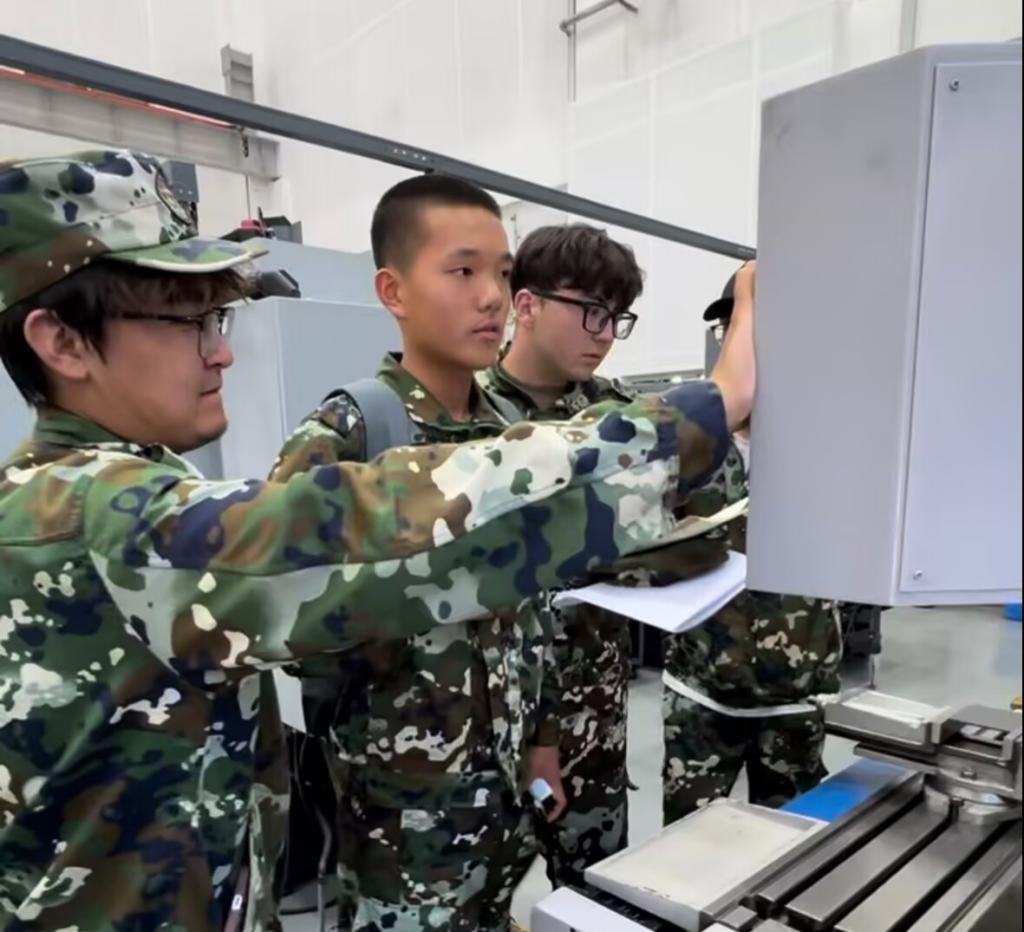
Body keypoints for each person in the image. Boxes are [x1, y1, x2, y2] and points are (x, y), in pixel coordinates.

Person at [0, 151, 750, 929]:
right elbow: (376, 533)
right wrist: (708, 409)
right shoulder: (96, 519)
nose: (221, 351)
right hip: (403, 808)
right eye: (189, 321)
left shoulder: (112, 491)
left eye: (217, 320)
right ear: (62, 342)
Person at [269, 176, 566, 930]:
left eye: (503, 273)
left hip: (505, 791)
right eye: (463, 271)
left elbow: (537, 608)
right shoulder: (347, 438)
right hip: (400, 817)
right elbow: (277, 613)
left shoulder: (514, 436)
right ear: (393, 290)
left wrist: (543, 742)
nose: (492, 297)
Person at [479, 223, 650, 889]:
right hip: (487, 723)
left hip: (594, 716)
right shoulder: (466, 415)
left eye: (618, 316)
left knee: (596, 896)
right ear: (526, 305)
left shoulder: (617, 415)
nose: (605, 334)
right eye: (591, 311)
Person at [661, 273, 841, 826]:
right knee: (686, 847)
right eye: (732, 327)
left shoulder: (832, 442)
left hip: (794, 700)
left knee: (791, 848)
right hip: (700, 694)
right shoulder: (689, 437)